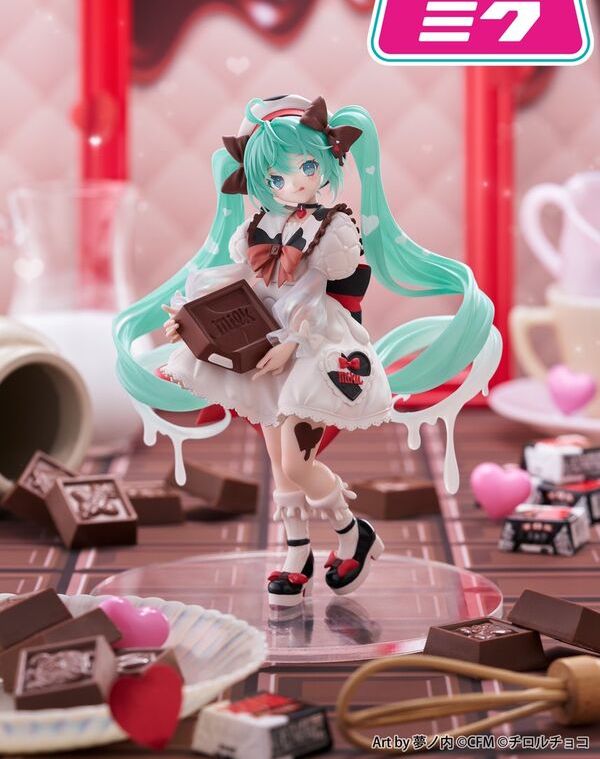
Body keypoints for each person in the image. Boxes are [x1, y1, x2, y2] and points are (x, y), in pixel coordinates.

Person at [114, 94, 499, 608]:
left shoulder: (333, 227)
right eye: (276, 177)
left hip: (318, 342)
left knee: (296, 464)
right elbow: (236, 281)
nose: (294, 183)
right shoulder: (258, 228)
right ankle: (298, 553)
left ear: (327, 160)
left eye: (308, 167)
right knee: (279, 460)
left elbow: (318, 295)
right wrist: (189, 316)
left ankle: (353, 531)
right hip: (267, 339)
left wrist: (294, 340)